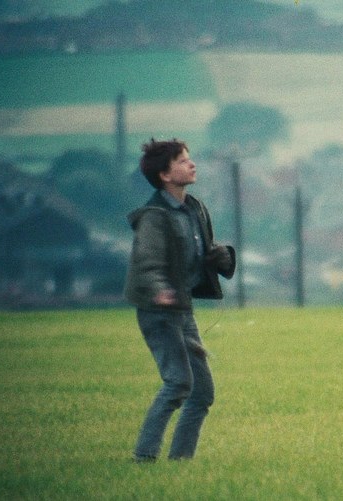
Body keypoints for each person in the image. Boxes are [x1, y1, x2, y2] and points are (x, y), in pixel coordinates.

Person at [124, 138, 235, 462]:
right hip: (158, 312)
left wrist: (220, 256)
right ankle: (144, 457)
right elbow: (147, 263)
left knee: (202, 393)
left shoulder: (194, 209)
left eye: (189, 158)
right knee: (178, 383)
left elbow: (203, 250)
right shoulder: (154, 217)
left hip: (182, 309)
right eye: (183, 161)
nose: (192, 164)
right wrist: (160, 289)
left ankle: (180, 461)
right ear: (165, 175)